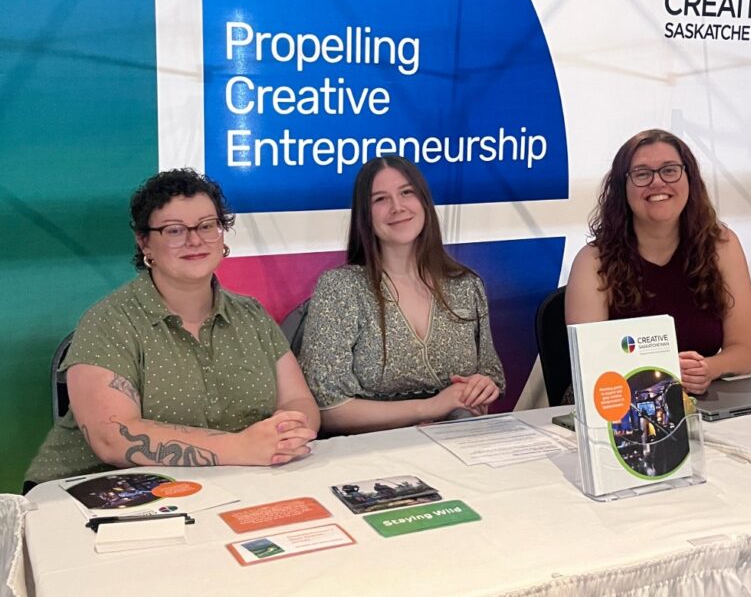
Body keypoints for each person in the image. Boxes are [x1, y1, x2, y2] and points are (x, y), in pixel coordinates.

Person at [25, 169, 318, 486]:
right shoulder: (109, 322)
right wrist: (242, 447)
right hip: (90, 497)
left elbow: (298, 402)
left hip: (227, 488)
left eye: (207, 226)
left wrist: (287, 434)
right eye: (175, 230)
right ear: (144, 243)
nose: (195, 240)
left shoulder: (252, 315)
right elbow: (112, 438)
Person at [300, 156, 505, 433]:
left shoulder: (466, 286)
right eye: (380, 199)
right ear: (366, 216)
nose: (397, 207)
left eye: (406, 192)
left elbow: (490, 376)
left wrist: (481, 389)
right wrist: (430, 407)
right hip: (372, 455)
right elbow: (328, 410)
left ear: (423, 202)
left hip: (458, 445)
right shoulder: (341, 288)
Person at [565, 129, 751, 395]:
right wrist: (662, 373)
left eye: (669, 170)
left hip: (701, 404)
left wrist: (706, 369)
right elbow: (589, 367)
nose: (657, 183)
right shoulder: (593, 261)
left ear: (689, 178)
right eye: (642, 174)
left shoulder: (722, 245)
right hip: (619, 408)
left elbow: (744, 352)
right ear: (623, 188)